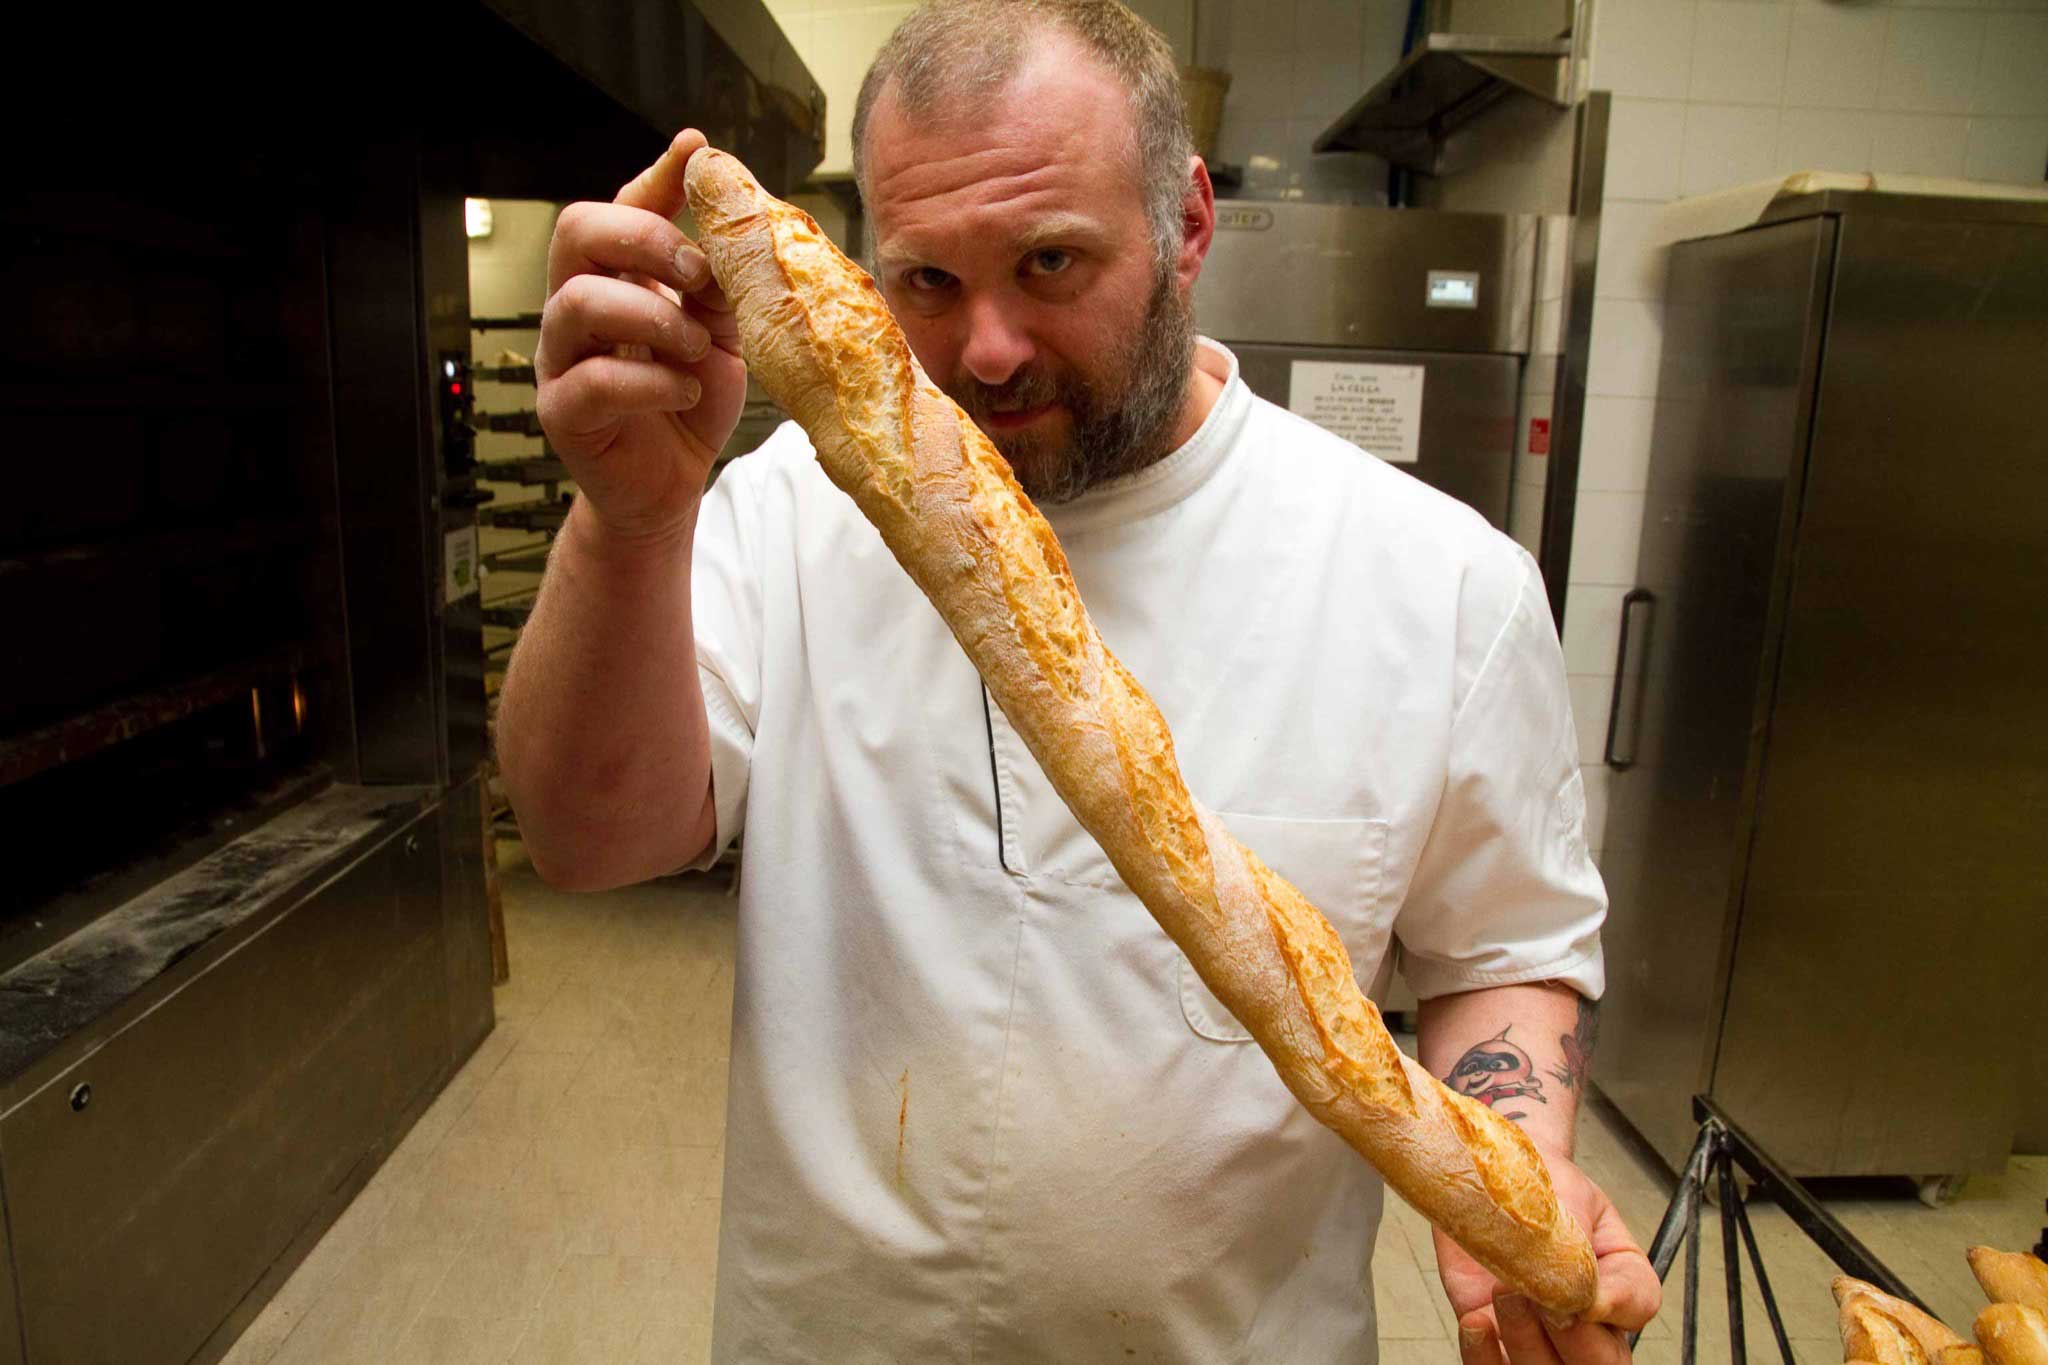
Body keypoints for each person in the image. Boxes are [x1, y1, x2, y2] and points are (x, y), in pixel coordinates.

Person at [497, 1, 1661, 1360]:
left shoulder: (1438, 582)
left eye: (1049, 262)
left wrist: (1507, 1167)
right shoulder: (785, 515)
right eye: (926, 281)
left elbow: (1504, 947)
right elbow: (585, 840)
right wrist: (631, 522)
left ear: (1191, 228)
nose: (987, 348)